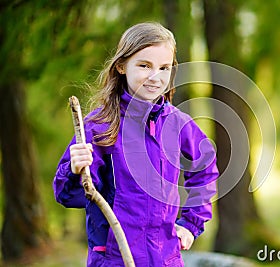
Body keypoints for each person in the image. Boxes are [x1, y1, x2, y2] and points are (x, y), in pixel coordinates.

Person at [53, 22, 219, 267]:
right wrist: (76, 170)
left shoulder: (178, 123)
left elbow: (204, 167)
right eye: (144, 66)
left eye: (164, 68)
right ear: (121, 66)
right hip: (114, 258)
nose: (155, 77)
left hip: (165, 259)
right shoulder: (98, 126)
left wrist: (191, 225)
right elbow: (70, 196)